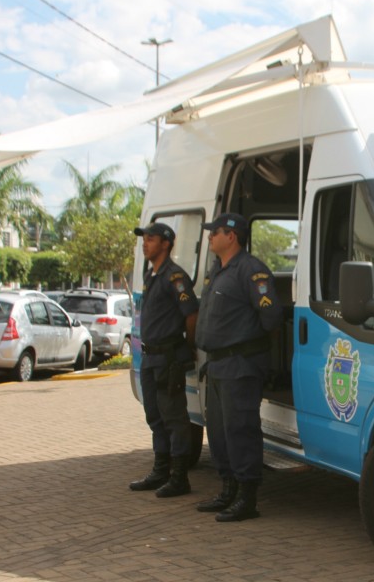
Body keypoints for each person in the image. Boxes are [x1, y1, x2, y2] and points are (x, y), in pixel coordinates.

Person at [194, 212, 283, 522]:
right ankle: (228, 489)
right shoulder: (218, 271)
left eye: (214, 232)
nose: (209, 237)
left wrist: (246, 346)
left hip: (240, 365)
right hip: (218, 365)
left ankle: (247, 497)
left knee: (240, 431)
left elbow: (271, 318)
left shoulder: (251, 271)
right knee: (218, 433)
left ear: (231, 236)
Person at [129, 222, 199, 498]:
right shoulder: (152, 275)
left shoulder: (175, 277)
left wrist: (189, 346)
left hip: (168, 358)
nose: (145, 243)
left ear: (166, 244)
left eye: (151, 239)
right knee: (154, 416)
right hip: (149, 357)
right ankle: (161, 470)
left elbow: (191, 314)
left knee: (174, 418)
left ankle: (180, 477)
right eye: (144, 239)